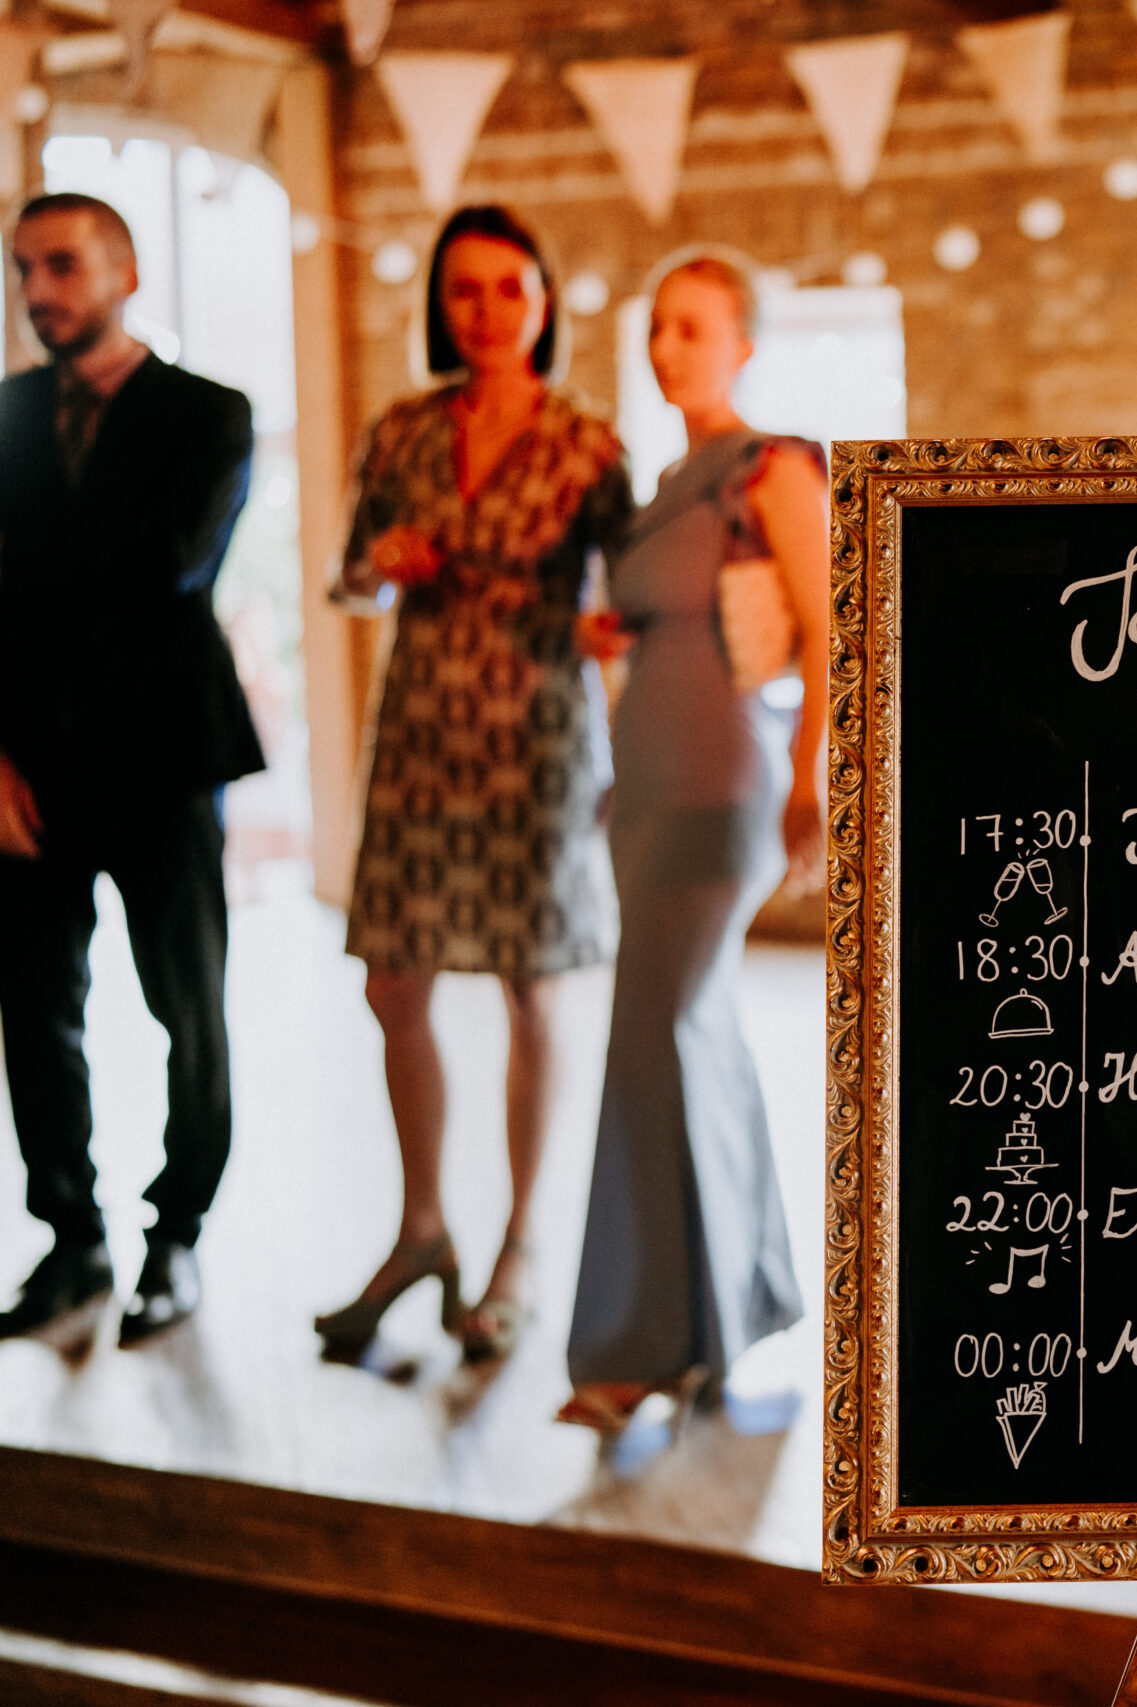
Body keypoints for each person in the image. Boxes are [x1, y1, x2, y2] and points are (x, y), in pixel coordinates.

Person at [317, 205, 630, 1366]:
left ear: (543, 303)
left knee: (531, 988)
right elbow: (347, 579)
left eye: (509, 288)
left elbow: (629, 602)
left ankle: (522, 1246)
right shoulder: (401, 431)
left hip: (538, 742)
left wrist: (614, 645)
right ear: (440, 306)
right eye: (465, 289)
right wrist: (380, 562)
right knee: (392, 982)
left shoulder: (589, 448)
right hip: (418, 733)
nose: (487, 311)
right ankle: (421, 1229)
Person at [556, 248, 823, 1431]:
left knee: (656, 1025)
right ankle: (732, 1311)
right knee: (693, 1030)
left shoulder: (771, 469)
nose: (668, 348)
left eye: (694, 328)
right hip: (646, 782)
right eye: (658, 327)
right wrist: (610, 637)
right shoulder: (664, 480)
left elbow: (833, 629)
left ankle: (641, 1345)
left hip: (724, 785)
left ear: (743, 344)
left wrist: (810, 780)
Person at [0, 193, 260, 1348]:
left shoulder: (210, 413)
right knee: (34, 1012)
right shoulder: (6, 414)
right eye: (23, 270)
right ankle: (72, 1239)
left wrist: (25, 563)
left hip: (165, 760)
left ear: (126, 273)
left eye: (61, 265)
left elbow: (164, 565)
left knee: (186, 1010)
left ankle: (177, 1236)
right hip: (27, 766)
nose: (38, 291)